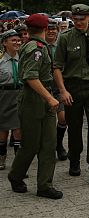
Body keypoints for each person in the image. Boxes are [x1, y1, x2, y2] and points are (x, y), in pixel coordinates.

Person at [53, 4, 89, 188]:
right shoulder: (65, 38)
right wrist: (62, 90)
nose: (78, 22)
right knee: (75, 127)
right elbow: (57, 67)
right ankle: (74, 160)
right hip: (72, 88)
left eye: (82, 18)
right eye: (75, 19)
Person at [8, 14, 62, 199]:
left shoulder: (41, 46)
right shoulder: (35, 48)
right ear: (45, 29)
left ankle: (44, 185)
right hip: (34, 100)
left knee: (49, 143)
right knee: (30, 145)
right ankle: (15, 176)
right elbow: (31, 77)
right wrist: (49, 98)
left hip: (43, 98)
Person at [45, 20, 68, 161]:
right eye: (49, 29)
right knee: (45, 121)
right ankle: (46, 146)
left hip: (59, 86)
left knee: (63, 118)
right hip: (44, 87)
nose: (52, 32)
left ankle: (59, 144)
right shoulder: (39, 46)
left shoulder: (61, 46)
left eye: (54, 29)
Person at [0, 30, 22, 170]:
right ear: (4, 43)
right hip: (4, 96)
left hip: (20, 95)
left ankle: (19, 163)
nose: (16, 42)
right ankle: (1, 158)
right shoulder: (1, 61)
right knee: (2, 130)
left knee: (18, 130)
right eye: (13, 40)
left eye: (18, 40)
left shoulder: (23, 59)